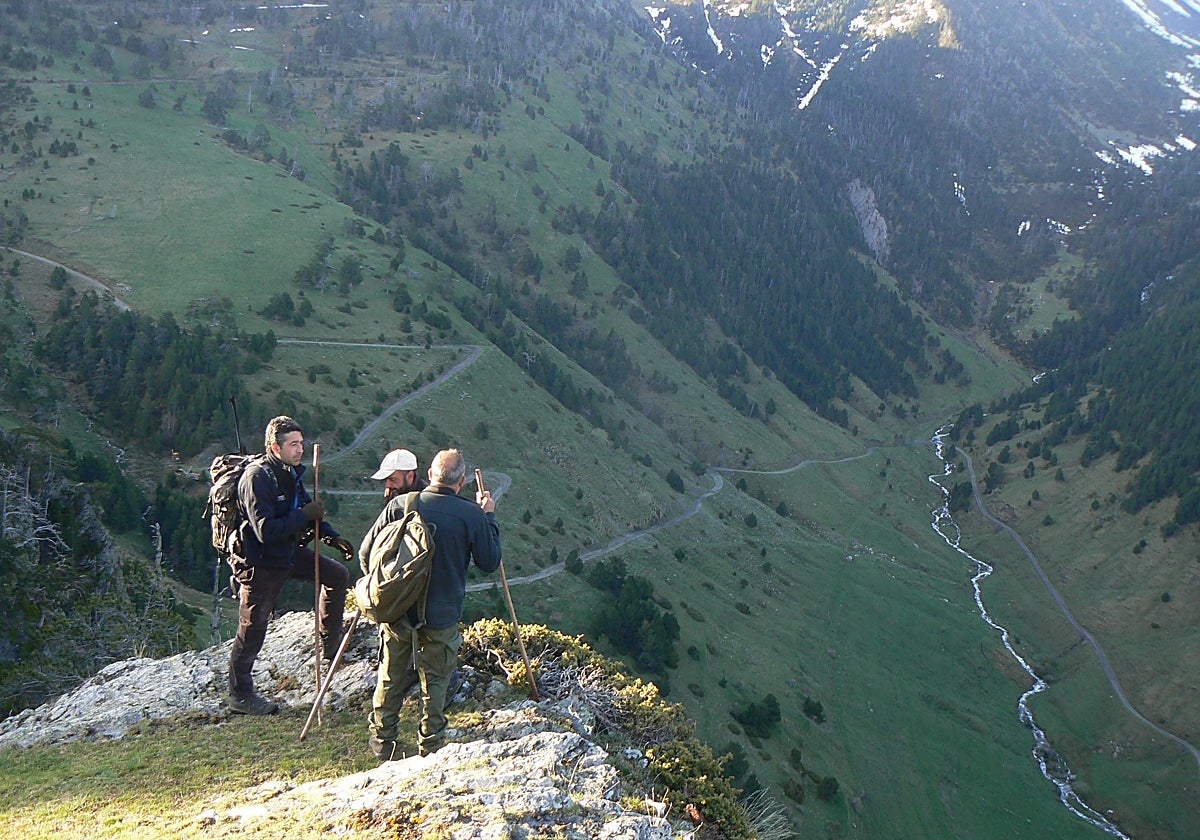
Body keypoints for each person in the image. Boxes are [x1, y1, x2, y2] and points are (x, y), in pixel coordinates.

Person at [359, 448, 501, 759]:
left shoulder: (401, 505)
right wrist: (489, 516)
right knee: (436, 681)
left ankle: (383, 741)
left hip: (398, 609)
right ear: (461, 482)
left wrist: (386, 588)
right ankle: (430, 745)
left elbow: (366, 554)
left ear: (431, 474)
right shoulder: (471, 515)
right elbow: (490, 562)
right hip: (442, 613)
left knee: (390, 674)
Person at [227, 415, 355, 715]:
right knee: (253, 626)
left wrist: (332, 537)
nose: (300, 450)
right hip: (260, 562)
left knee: (337, 575)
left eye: (301, 443)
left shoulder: (289, 472)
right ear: (275, 446)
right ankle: (239, 695)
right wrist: (304, 516)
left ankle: (330, 644)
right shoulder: (257, 478)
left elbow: (308, 510)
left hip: (286, 552)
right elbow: (265, 530)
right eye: (293, 444)